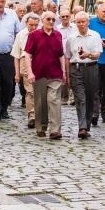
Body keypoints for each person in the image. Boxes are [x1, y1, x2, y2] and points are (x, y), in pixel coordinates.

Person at [24, 11, 66, 139]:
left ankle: (55, 130)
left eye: (54, 20)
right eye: (48, 19)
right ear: (42, 20)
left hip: (55, 73)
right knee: (40, 101)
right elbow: (27, 54)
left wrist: (64, 72)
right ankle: (41, 127)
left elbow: (61, 54)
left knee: (53, 100)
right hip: (39, 73)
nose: (51, 22)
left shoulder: (58, 35)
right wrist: (30, 72)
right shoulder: (34, 35)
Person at [64, 12, 102, 139]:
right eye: (78, 22)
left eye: (83, 22)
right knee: (81, 98)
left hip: (91, 68)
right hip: (76, 69)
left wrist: (88, 55)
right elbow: (68, 57)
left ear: (88, 22)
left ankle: (87, 125)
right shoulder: (71, 38)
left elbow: (97, 54)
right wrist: (67, 75)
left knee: (90, 98)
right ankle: (82, 127)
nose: (81, 24)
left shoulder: (95, 36)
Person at [12, 13, 39, 128]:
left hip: (39, 61)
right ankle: (32, 116)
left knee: (40, 91)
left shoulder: (41, 34)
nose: (33, 28)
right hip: (25, 62)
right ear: (26, 23)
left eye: (35, 25)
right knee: (30, 91)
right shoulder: (21, 35)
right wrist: (17, 73)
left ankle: (41, 114)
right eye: (31, 25)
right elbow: (16, 55)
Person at [56, 8, 77, 105]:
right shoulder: (57, 28)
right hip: (61, 54)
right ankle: (64, 97)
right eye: (63, 16)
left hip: (73, 53)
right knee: (63, 74)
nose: (65, 18)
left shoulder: (75, 27)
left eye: (67, 16)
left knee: (73, 74)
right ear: (60, 18)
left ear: (70, 16)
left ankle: (73, 96)